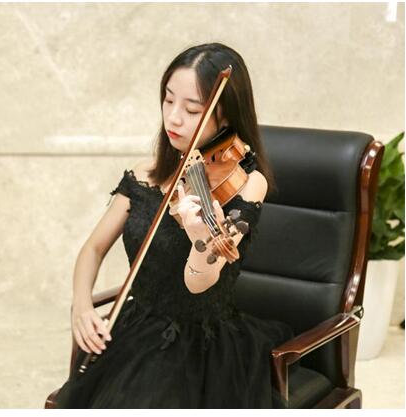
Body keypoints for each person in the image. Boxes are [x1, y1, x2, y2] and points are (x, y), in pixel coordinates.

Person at [54, 43, 296, 408]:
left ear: (225, 117)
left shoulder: (247, 184)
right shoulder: (146, 174)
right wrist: (82, 305)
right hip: (137, 328)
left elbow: (199, 283)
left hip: (201, 349)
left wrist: (200, 237)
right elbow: (93, 248)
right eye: (168, 100)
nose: (174, 118)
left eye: (192, 109)